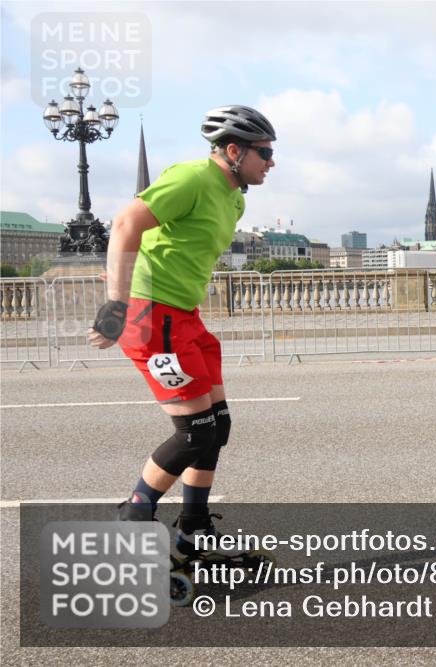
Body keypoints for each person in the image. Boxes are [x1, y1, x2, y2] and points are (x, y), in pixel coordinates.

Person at [88, 105, 276, 559]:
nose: (271, 162)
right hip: (152, 318)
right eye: (265, 152)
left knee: (217, 425)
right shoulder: (191, 178)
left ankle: (194, 531)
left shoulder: (235, 198)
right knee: (195, 432)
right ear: (234, 151)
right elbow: (126, 224)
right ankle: (132, 517)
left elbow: (178, 248)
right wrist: (117, 303)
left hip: (184, 318)